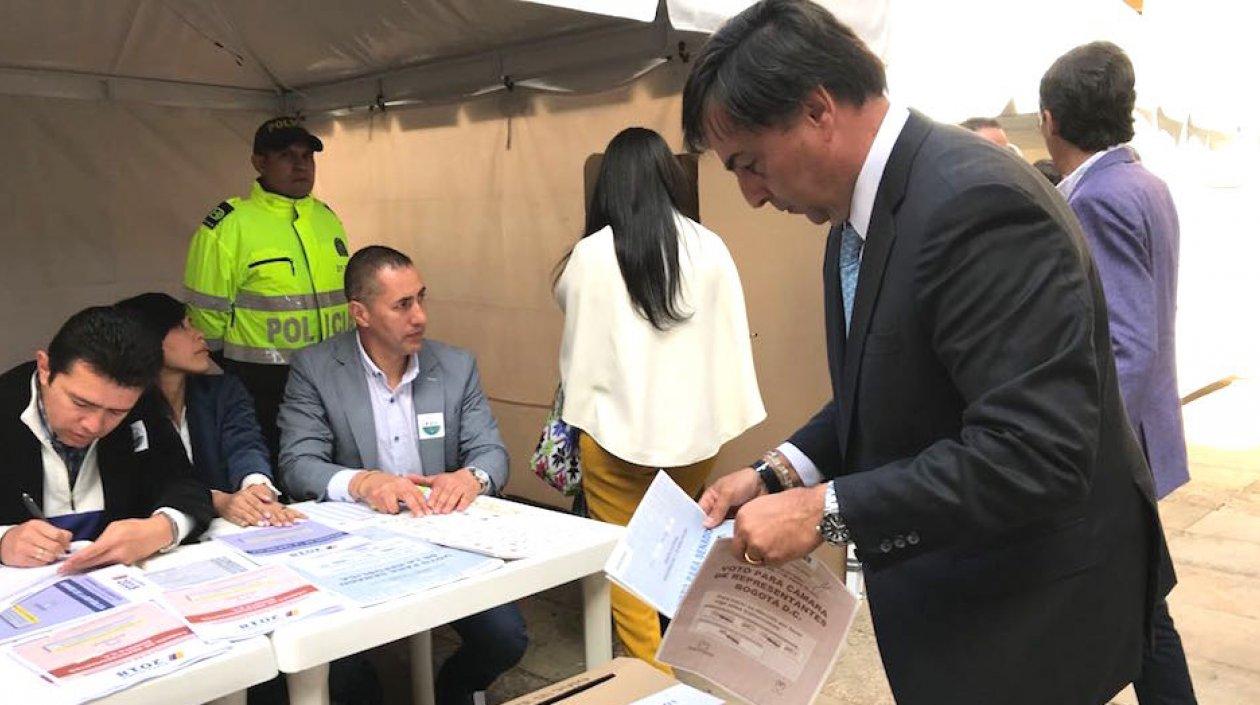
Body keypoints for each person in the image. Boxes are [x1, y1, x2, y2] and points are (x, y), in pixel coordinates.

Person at [681, 2, 1171, 704]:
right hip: (956, 597)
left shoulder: (974, 203)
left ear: (819, 110)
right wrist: (778, 471)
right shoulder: (859, 217)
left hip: (1021, 616)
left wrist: (823, 509)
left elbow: (1033, 450)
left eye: (750, 164)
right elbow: (887, 381)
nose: (751, 195)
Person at [554, 127, 765, 671]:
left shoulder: (591, 254)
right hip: (695, 441)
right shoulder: (710, 246)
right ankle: (687, 668)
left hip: (613, 441)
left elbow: (571, 318)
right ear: (668, 178)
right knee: (674, 552)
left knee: (630, 567)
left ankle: (655, 683)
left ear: (611, 186)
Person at [278, 245, 525, 705]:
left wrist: (470, 478)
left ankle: (453, 692)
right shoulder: (316, 369)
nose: (420, 318)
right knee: (344, 667)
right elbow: (297, 462)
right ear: (360, 313)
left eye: (421, 299)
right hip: (357, 545)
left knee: (505, 638)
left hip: (441, 536)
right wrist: (363, 482)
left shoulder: (454, 366)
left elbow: (491, 451)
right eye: (402, 305)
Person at [1041, 41, 1196, 704]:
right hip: (1143, 434)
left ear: (1049, 118)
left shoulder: (1097, 200)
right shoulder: (1143, 182)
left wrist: (1088, 449)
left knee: (1136, 614)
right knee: (1131, 608)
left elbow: (1126, 344)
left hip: (1116, 451)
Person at [184, 116, 352, 463]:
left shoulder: (327, 218)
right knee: (273, 472)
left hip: (334, 374)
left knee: (331, 468)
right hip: (263, 383)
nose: (301, 165)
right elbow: (205, 314)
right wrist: (218, 383)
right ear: (259, 162)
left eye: (307, 156)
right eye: (287, 156)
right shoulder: (229, 225)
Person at [0, 306, 213, 571]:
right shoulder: (6, 405)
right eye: (80, 403)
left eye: (115, 412)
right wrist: (4, 540)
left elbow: (185, 484)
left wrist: (163, 527)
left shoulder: (140, 406)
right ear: (45, 368)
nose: (94, 425)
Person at [116, 293, 304, 528]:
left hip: (230, 530)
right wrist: (218, 501)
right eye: (184, 327)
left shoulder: (223, 391)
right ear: (148, 338)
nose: (199, 334)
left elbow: (245, 445)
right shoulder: (122, 407)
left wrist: (257, 488)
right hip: (161, 533)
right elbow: (149, 486)